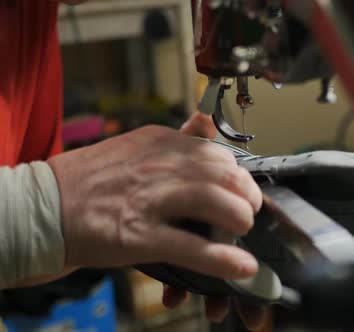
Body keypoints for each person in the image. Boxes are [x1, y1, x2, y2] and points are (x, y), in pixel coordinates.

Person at [0, 0, 267, 330]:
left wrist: (148, 219)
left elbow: (25, 255)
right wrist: (48, 209)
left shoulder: (33, 11)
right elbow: (32, 223)